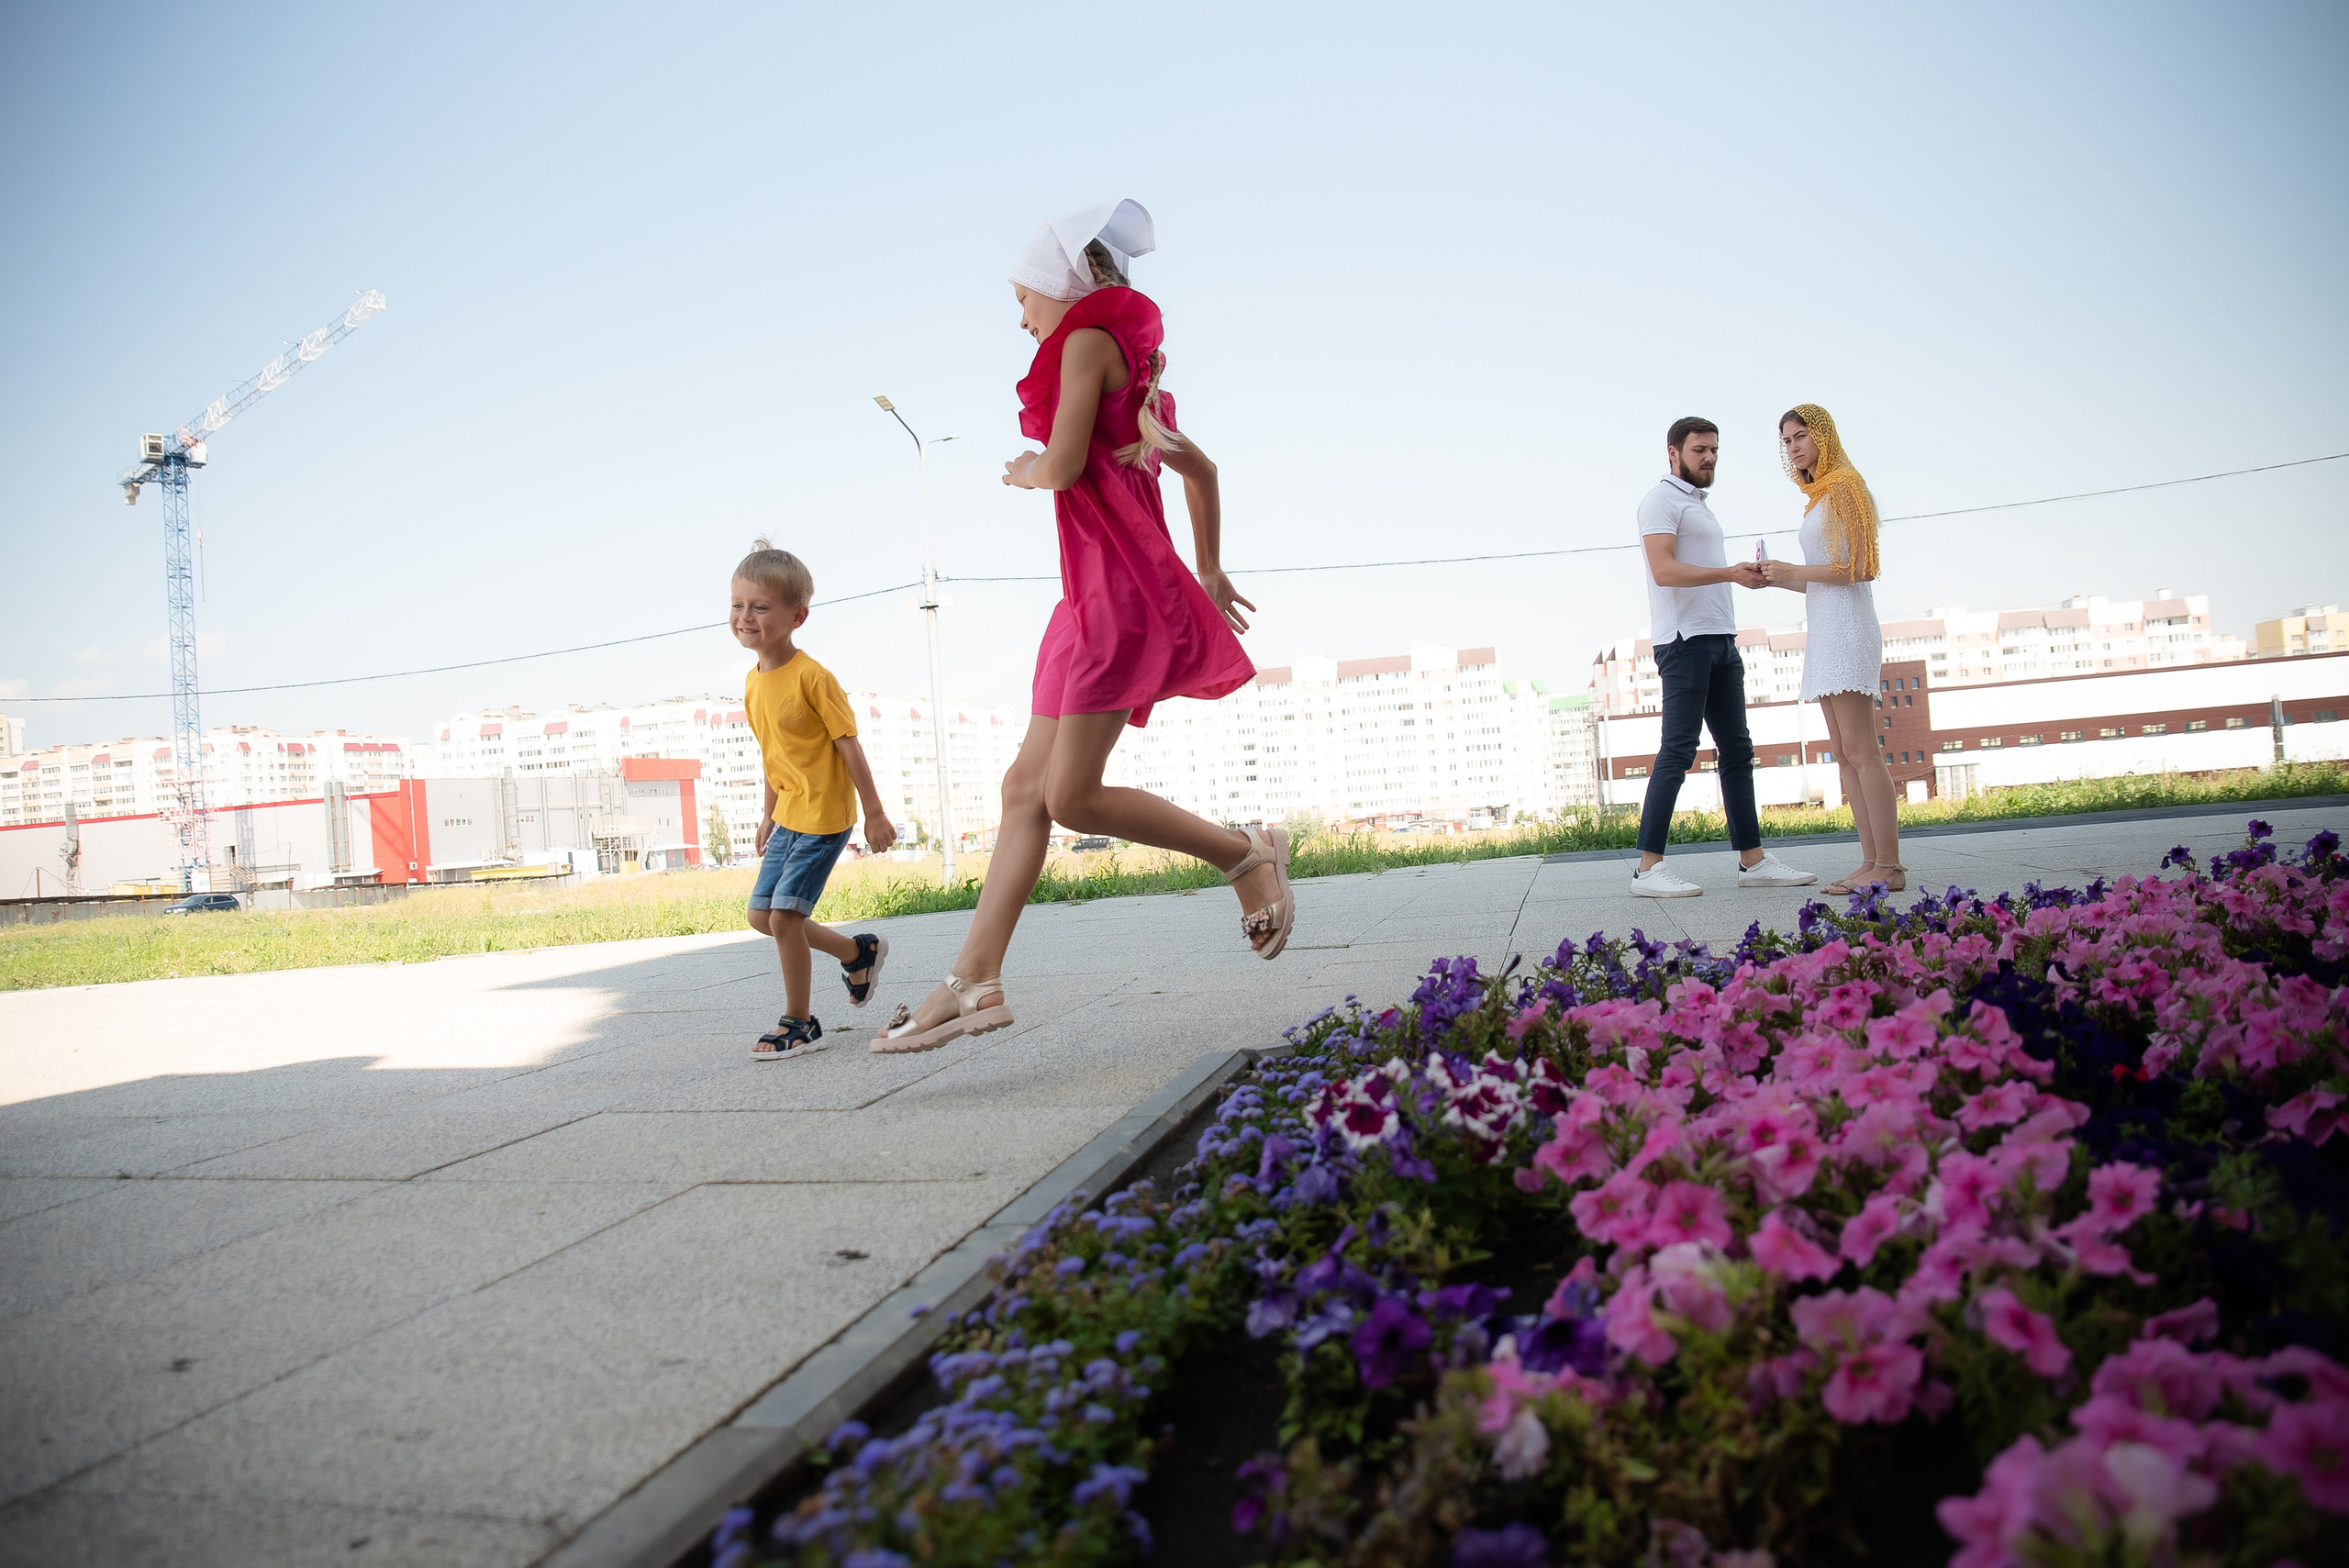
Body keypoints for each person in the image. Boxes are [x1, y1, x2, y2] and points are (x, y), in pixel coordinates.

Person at [874, 199, 1287, 1054]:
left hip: (1116, 598)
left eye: (1022, 295)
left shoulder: (1090, 346)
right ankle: (973, 978)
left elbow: (1062, 465)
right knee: (1024, 790)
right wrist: (1208, 565)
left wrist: (1028, 471)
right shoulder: (1126, 369)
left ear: (1064, 286)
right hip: (1085, 601)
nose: (1017, 314)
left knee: (1071, 796)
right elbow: (1201, 470)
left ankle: (1245, 854)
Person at [1628, 417, 1816, 897]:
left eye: (1714, 450)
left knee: (1737, 751)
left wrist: (1739, 576)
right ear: (1673, 453)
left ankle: (1752, 862)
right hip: (1684, 641)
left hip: (1720, 641)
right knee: (1678, 750)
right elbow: (1664, 571)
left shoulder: (1699, 505)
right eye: (1699, 451)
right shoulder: (1660, 500)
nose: (1709, 458)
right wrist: (1731, 572)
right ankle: (1648, 869)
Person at [732, 540, 898, 1060]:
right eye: (737, 605)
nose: (745, 617)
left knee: (785, 919)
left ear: (797, 616)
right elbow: (772, 756)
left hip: (825, 815)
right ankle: (857, 952)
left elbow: (848, 744)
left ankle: (799, 1022)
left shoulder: (813, 677)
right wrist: (765, 816)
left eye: (760, 607)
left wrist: (874, 812)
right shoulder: (753, 683)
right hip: (787, 816)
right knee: (764, 918)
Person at [1760, 404, 1903, 893]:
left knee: (1862, 749)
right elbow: (1825, 578)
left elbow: (1861, 567)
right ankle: (1871, 861)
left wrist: (1794, 571)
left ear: (1823, 435)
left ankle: (1890, 867)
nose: (1794, 446)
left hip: (1848, 628)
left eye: (1801, 435)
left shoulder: (1845, 486)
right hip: (1825, 626)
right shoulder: (1819, 496)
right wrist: (1779, 580)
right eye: (1786, 440)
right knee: (1844, 752)